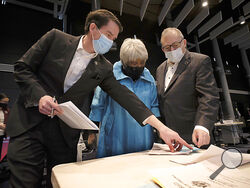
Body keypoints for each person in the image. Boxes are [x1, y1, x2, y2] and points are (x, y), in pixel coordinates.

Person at [6, 10, 191, 188]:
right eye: (108, 35)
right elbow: (22, 67)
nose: (110, 42)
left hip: (63, 137)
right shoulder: (56, 39)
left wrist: (162, 128)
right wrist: (41, 96)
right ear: (93, 28)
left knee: (59, 182)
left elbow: (127, 98)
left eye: (113, 38)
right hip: (30, 125)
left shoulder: (103, 67)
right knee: (25, 182)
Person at [89, 38, 160, 158]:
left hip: (143, 136)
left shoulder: (150, 79)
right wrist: (91, 132)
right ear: (124, 61)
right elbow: (97, 105)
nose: (138, 66)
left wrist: (159, 130)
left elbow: (154, 106)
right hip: (115, 136)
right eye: (133, 63)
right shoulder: (110, 77)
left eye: (141, 63)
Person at [156, 27, 219, 148]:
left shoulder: (199, 62)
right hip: (170, 138)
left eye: (175, 45)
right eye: (167, 47)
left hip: (195, 136)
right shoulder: (160, 69)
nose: (172, 50)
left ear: (184, 43)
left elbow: (209, 97)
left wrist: (203, 125)